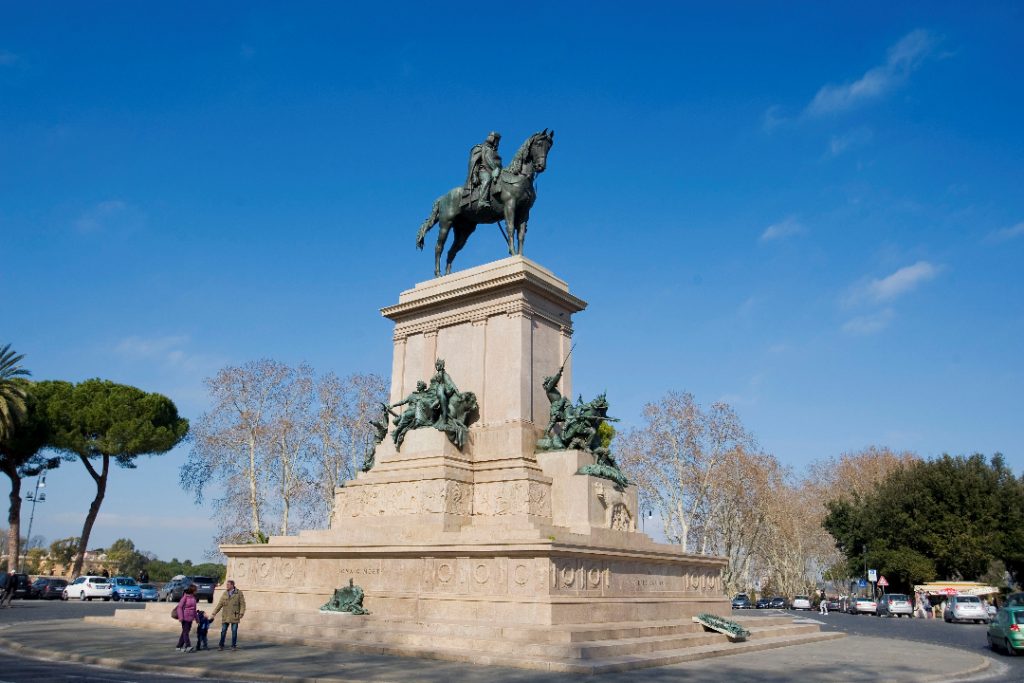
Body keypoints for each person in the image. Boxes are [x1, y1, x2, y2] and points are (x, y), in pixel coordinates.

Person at [463, 131, 502, 209]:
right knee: (487, 179)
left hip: (496, 172)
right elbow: (472, 163)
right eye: (496, 139)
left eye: (497, 140)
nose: (496, 142)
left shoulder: (494, 152)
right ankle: (482, 201)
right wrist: (474, 175)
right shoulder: (479, 148)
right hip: (483, 171)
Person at [211, 579, 246, 651]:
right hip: (226, 615)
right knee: (223, 631)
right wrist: (214, 612)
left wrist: (242, 612)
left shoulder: (239, 593)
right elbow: (220, 604)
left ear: (232, 585)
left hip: (235, 615)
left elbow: (242, 604)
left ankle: (233, 645)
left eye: (228, 585)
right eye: (226, 584)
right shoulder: (225, 593)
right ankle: (221, 645)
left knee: (234, 631)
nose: (226, 586)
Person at [176, 584, 198, 653]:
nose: (196, 591)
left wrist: (197, 618)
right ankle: (188, 646)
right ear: (192, 590)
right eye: (195, 590)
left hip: (190, 618)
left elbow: (194, 609)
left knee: (184, 632)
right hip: (184, 618)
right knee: (186, 632)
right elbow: (179, 607)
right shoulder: (185, 597)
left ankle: (178, 646)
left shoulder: (194, 598)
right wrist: (180, 617)